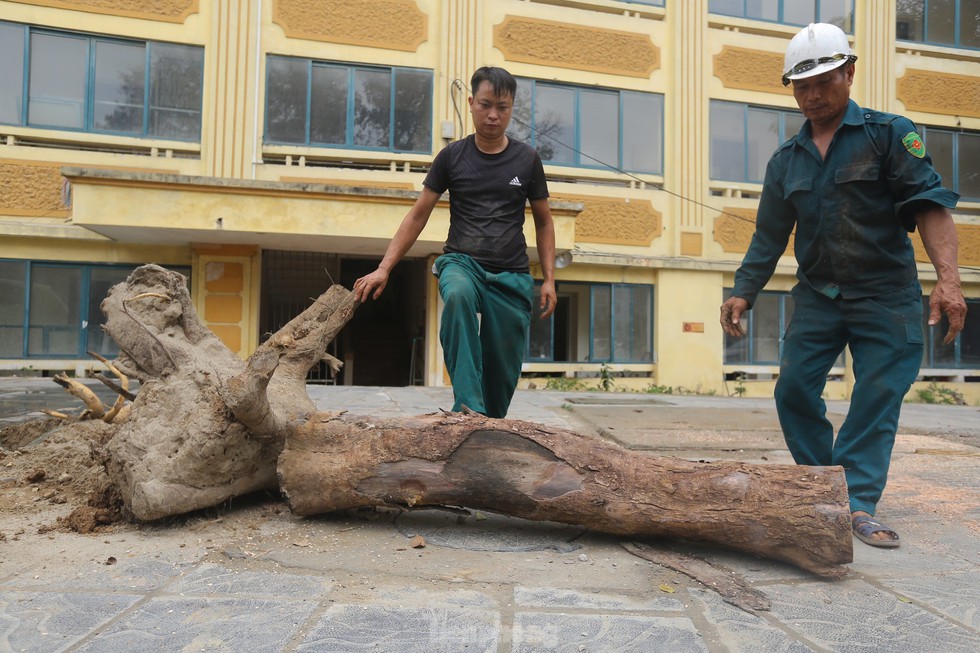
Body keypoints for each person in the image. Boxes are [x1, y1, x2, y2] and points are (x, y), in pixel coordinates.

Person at [719, 23, 966, 548]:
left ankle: (855, 503)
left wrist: (949, 281)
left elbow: (930, 206)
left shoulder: (890, 134)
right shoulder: (786, 159)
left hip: (887, 295)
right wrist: (743, 290)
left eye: (823, 82)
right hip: (819, 296)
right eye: (801, 86)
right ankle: (822, 486)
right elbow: (769, 235)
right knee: (792, 391)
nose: (811, 95)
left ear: (849, 74)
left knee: (876, 396)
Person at [353, 66, 557, 419]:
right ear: (471, 102)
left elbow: (544, 220)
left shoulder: (527, 159)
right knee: (458, 296)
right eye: (485, 104)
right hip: (462, 262)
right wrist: (384, 268)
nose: (493, 115)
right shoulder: (452, 158)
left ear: (512, 109)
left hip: (510, 272)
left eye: (503, 107)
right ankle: (467, 407)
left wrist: (550, 278)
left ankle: (488, 421)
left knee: (503, 366)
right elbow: (417, 215)